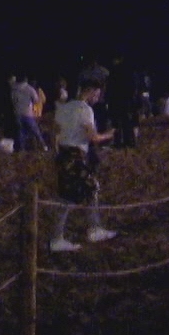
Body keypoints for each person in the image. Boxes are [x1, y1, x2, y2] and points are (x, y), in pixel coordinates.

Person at [49, 80, 117, 252]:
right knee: (86, 190)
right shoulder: (85, 110)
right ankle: (89, 231)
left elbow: (54, 134)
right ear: (92, 91)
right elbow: (92, 137)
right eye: (98, 93)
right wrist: (108, 135)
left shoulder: (62, 108)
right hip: (76, 156)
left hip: (62, 155)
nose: (98, 97)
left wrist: (57, 155)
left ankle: (65, 235)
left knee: (69, 194)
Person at [9, 76, 47, 152]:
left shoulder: (14, 89)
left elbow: (12, 100)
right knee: (36, 131)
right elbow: (36, 100)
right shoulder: (29, 89)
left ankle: (21, 149)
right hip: (28, 113)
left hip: (17, 113)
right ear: (26, 80)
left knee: (21, 132)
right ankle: (43, 146)